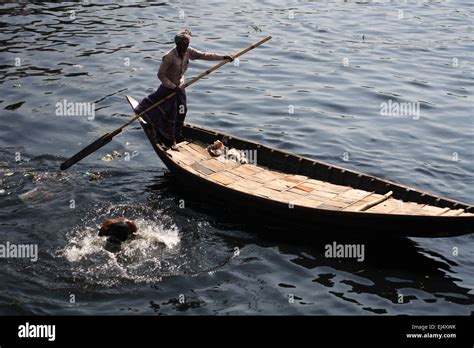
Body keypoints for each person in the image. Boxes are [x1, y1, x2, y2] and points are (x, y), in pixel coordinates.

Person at [135, 29, 233, 150]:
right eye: (183, 45)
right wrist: (172, 86)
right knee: (171, 113)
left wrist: (223, 57)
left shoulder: (188, 51)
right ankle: (169, 140)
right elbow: (161, 75)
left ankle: (177, 134)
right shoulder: (169, 57)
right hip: (168, 89)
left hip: (180, 88)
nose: (185, 47)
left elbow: (204, 55)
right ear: (177, 44)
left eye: (187, 45)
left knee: (182, 110)